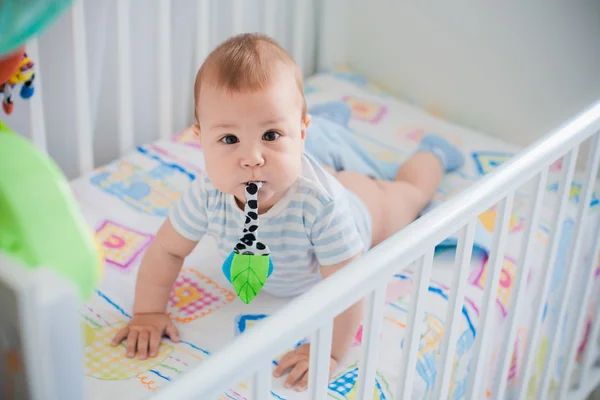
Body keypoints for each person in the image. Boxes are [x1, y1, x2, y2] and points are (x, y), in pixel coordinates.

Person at [111, 32, 464, 392]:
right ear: (200, 139)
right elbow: (167, 249)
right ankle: (327, 130)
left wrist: (328, 351)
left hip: (363, 207)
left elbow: (348, 284)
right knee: (318, 168)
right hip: (304, 178)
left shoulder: (322, 206)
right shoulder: (206, 193)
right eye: (229, 139)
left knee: (407, 196)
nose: (251, 158)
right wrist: (149, 311)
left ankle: (432, 154)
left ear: (299, 131)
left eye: (271, 134)